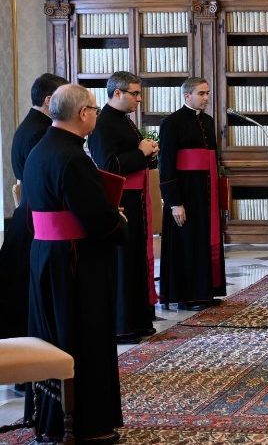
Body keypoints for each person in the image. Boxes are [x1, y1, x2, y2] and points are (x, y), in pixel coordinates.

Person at [24, 84, 128, 443]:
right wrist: (118, 220)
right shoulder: (73, 158)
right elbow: (98, 221)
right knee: (82, 338)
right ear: (83, 114)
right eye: (96, 110)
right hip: (75, 263)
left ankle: (50, 420)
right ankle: (87, 424)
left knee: (52, 336)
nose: (97, 116)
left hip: (46, 257)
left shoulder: (40, 150)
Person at [88, 71, 160, 344]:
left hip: (136, 198)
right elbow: (108, 166)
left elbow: (132, 157)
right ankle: (122, 325)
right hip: (121, 201)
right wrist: (141, 152)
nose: (139, 99)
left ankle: (138, 319)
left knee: (136, 260)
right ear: (117, 93)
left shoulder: (125, 121)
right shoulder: (104, 123)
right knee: (123, 262)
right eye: (135, 93)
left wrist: (149, 154)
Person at [0, 72, 67, 341]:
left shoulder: (34, 125)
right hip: (34, 218)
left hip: (29, 213)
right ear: (50, 100)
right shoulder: (41, 132)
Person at [158, 77, 226, 311]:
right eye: (201, 93)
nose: (206, 97)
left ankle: (206, 291)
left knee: (205, 241)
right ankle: (187, 296)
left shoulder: (207, 121)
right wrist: (174, 202)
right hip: (185, 192)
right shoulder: (171, 122)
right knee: (187, 243)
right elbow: (166, 165)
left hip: (207, 192)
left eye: (207, 93)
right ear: (187, 96)